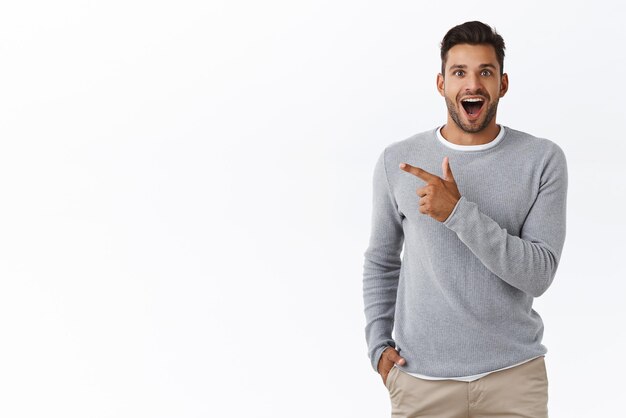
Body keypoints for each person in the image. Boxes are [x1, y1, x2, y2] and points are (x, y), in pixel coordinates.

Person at [362, 21, 567, 417]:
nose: (472, 84)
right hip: (421, 381)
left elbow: (539, 275)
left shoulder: (542, 160)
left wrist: (457, 212)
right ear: (441, 84)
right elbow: (381, 261)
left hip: (514, 379)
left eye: (485, 72)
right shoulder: (397, 160)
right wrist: (378, 349)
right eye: (459, 73)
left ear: (502, 84)